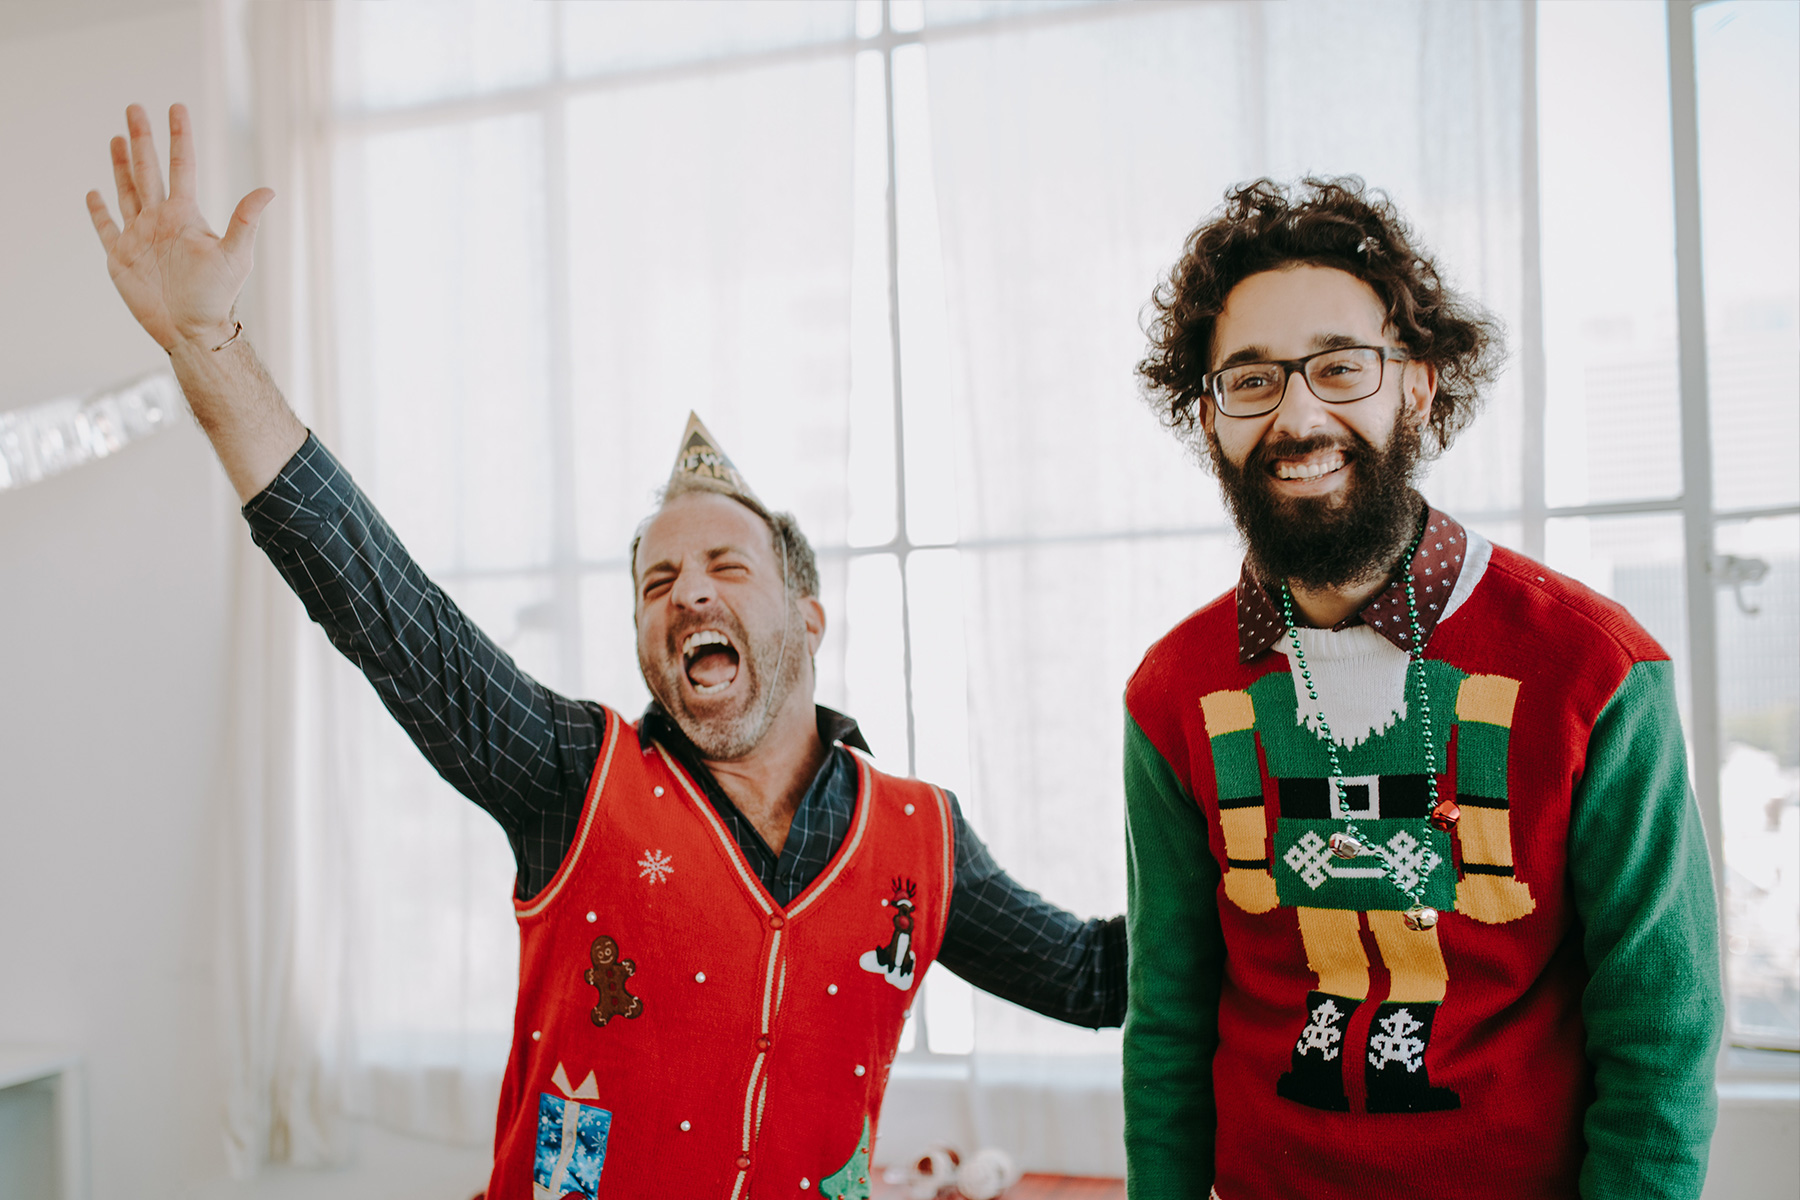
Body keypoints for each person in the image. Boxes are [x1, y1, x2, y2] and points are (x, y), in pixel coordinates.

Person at [88, 103, 1126, 1200]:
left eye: (727, 568)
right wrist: (207, 344)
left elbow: (1103, 976)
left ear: (808, 619)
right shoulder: (572, 777)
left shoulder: (921, 839)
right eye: (657, 584)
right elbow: (378, 601)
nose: (688, 596)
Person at [1120, 178, 1720, 1198]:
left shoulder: (1598, 669)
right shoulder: (1170, 690)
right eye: (1251, 379)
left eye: (1340, 368)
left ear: (1420, 384)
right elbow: (1170, 1017)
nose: (1297, 415)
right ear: (1207, 415)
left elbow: (1662, 1027)